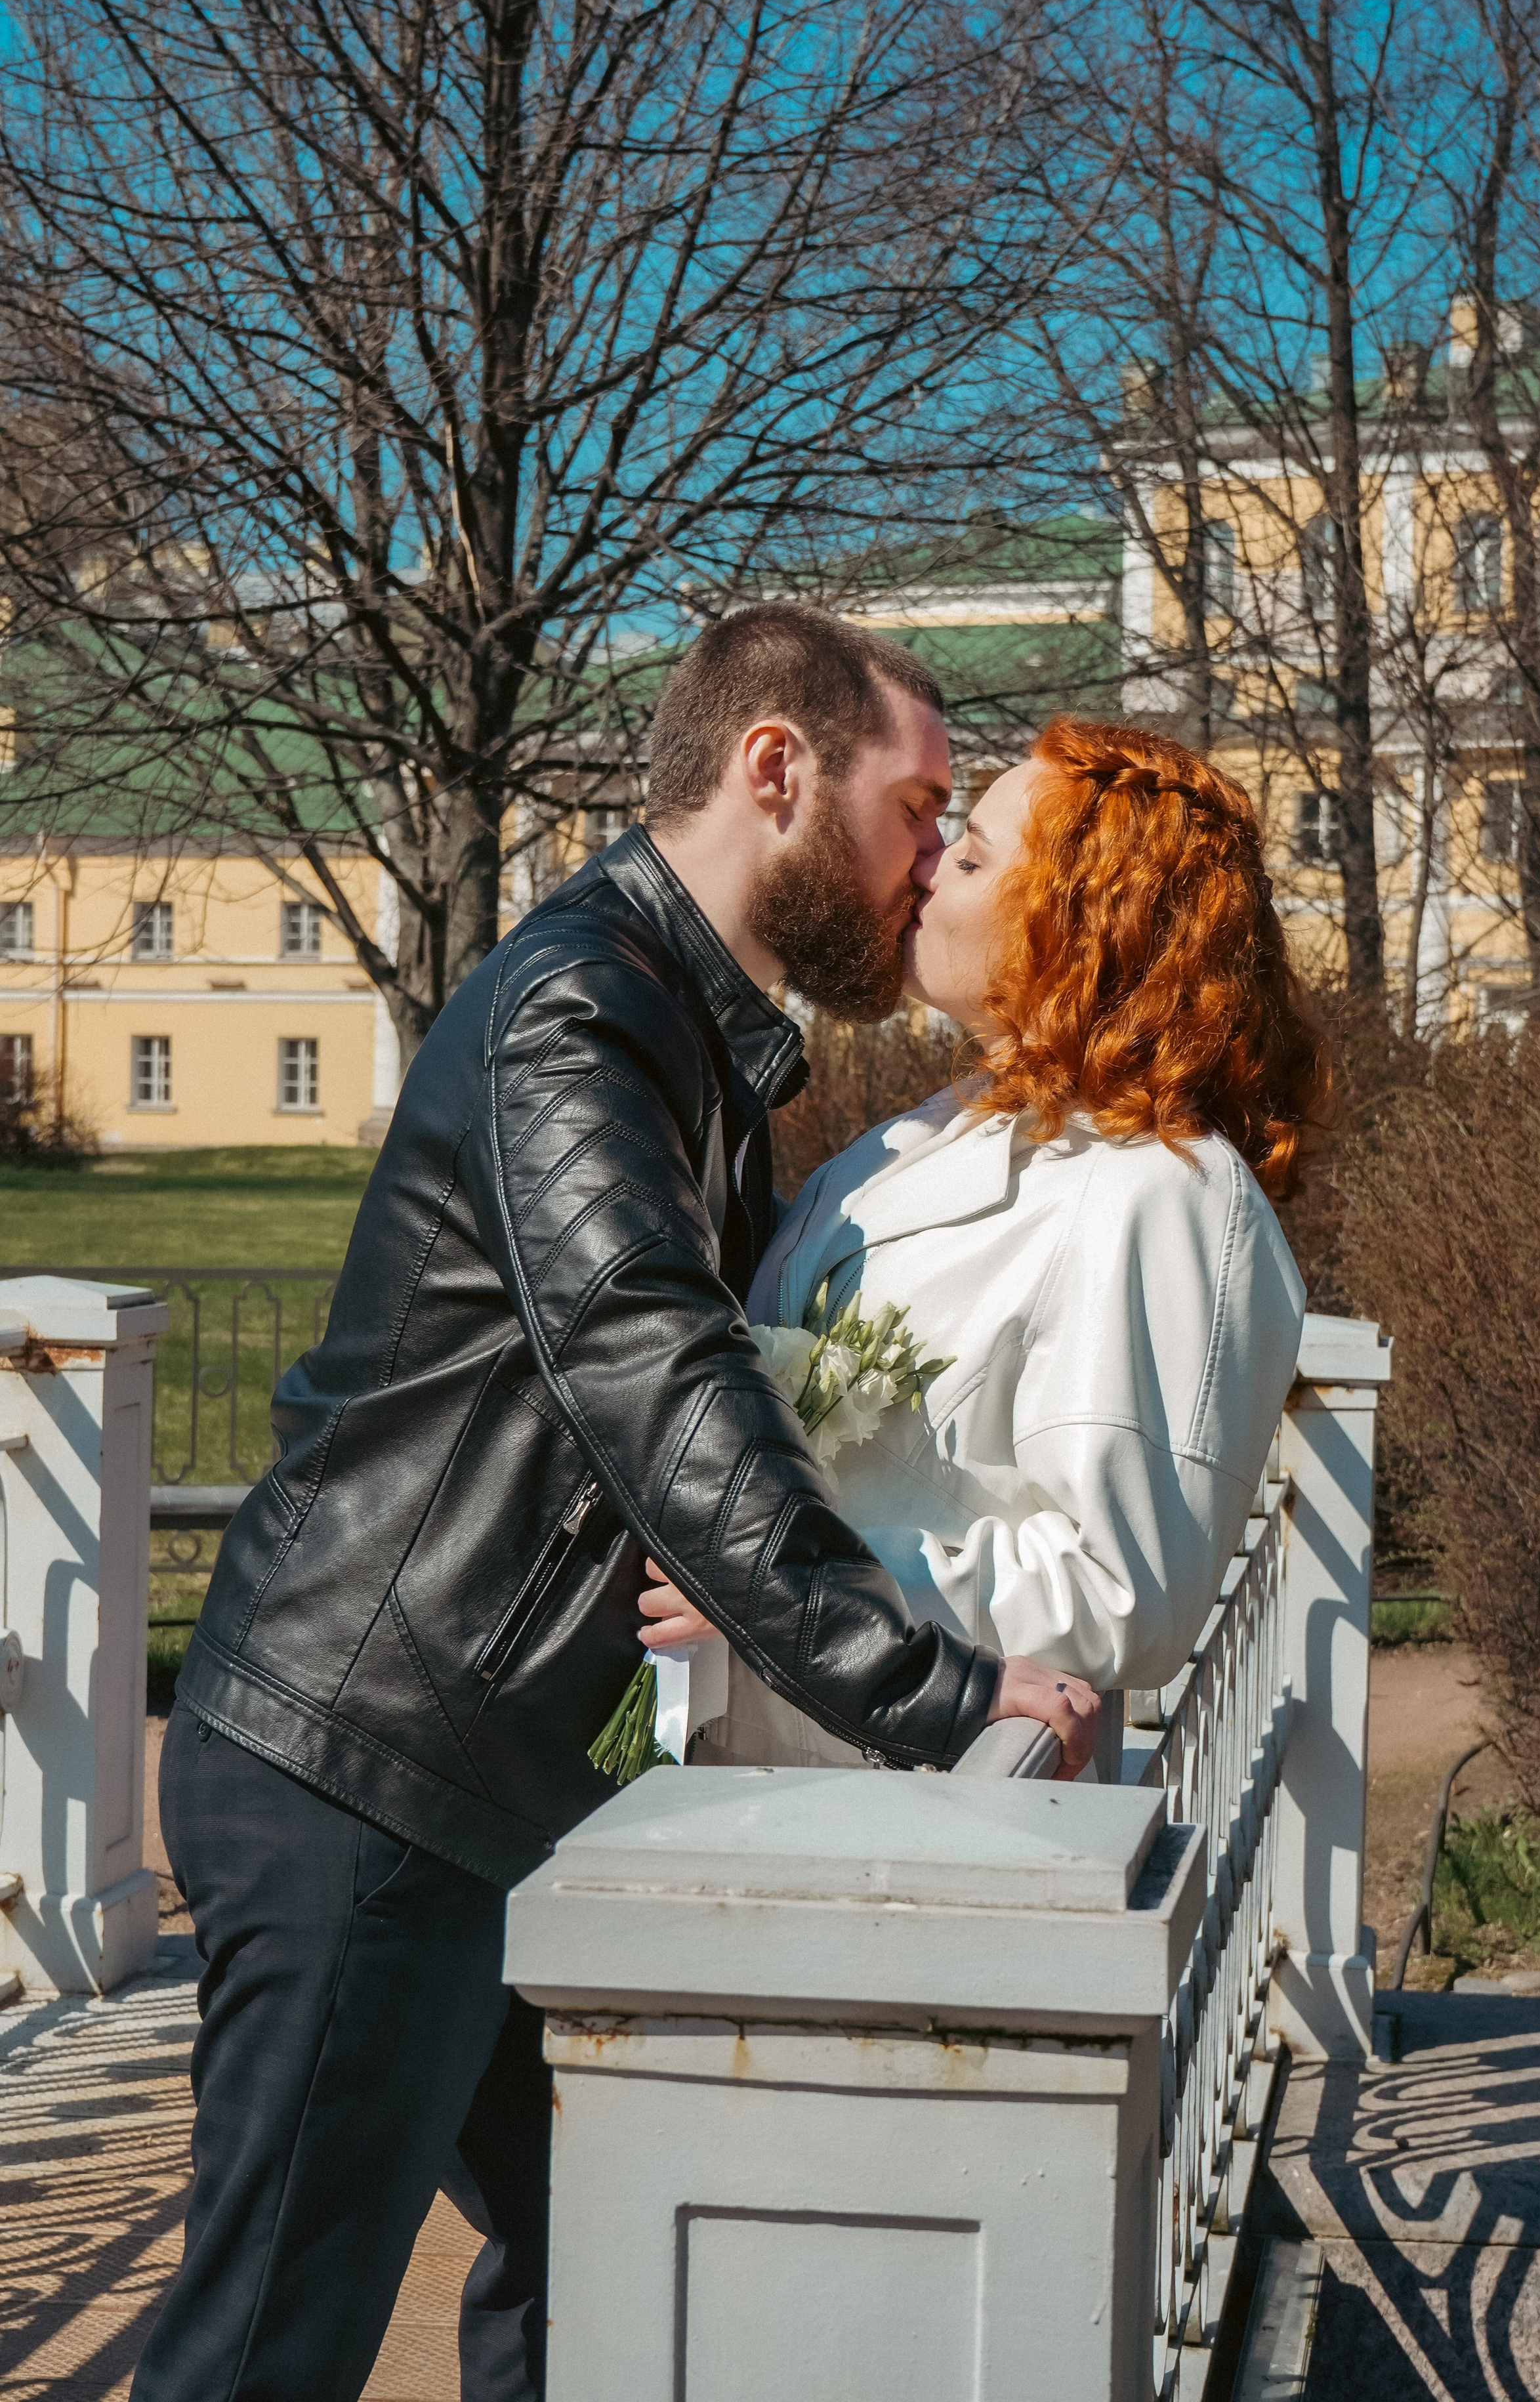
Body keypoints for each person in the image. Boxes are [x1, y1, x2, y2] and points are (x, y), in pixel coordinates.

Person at [136, 608, 1098, 2402]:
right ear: (775, 769)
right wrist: (941, 1688)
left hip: (468, 1777)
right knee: (263, 2351)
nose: (930, 861)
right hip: (360, 1767)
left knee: (604, 2257)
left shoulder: (686, 1034)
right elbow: (654, 1374)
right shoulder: (580, 1010)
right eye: (920, 807)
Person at [639, 717, 1327, 1769]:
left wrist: (788, 1580)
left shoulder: (1166, 1194)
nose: (926, 874)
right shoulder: (915, 1138)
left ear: (1085, 918)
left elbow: (1127, 1589)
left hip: (922, 1810)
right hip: (764, 1765)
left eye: (970, 857)